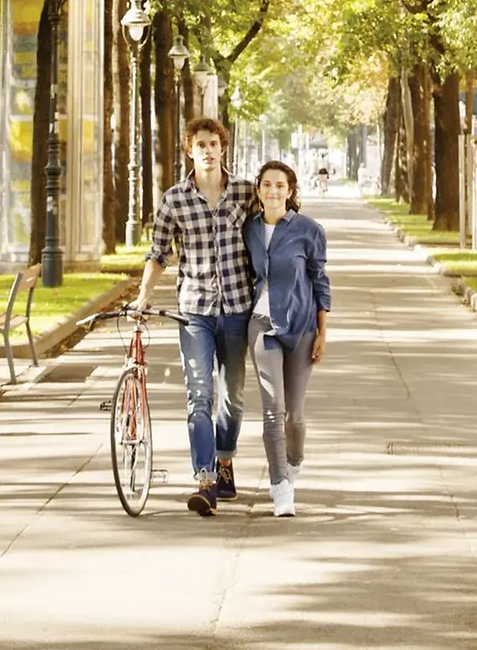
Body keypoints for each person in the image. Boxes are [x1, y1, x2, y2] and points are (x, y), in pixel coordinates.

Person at [135, 117, 256, 516]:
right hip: (195, 312)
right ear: (190, 150)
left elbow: (269, 231)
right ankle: (205, 479)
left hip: (238, 308)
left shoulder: (244, 193)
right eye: (200, 144)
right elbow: (158, 254)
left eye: (213, 143)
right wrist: (143, 297)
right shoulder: (174, 199)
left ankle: (224, 460)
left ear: (223, 148)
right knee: (199, 395)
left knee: (233, 399)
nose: (207, 150)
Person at [244, 161, 331, 516]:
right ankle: (280, 487)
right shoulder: (248, 228)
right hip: (262, 325)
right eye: (267, 185)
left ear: (291, 191)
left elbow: (320, 280)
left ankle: (293, 462)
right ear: (259, 190)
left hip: (300, 327)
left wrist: (322, 332)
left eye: (280, 185)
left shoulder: (308, 230)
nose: (273, 191)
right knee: (272, 411)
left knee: (294, 415)